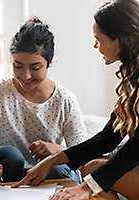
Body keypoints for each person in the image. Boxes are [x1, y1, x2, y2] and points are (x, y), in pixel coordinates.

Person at [13, 0, 139, 199]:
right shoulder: (132, 80)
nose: (95, 45)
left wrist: (86, 188)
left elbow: (135, 148)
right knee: (91, 169)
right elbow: (107, 138)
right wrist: (52, 160)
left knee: (93, 175)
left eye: (99, 38)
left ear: (119, 38)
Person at [0, 17, 87, 186]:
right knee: (11, 155)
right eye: (18, 66)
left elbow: (84, 153)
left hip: (50, 175)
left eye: (35, 67)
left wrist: (57, 150)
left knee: (56, 168)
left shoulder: (65, 101)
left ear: (48, 62)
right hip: (10, 172)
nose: (26, 75)